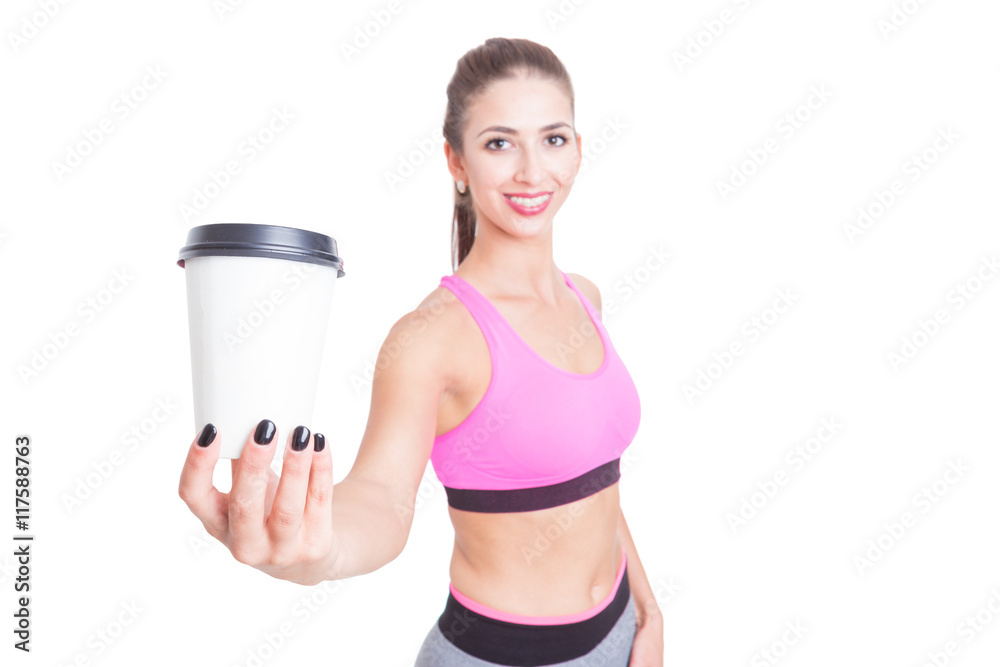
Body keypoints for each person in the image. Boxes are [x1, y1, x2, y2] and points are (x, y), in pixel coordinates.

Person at [178, 37, 663, 667]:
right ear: (455, 161)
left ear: (576, 148)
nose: (531, 171)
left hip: (622, 632)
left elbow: (598, 482)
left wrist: (649, 612)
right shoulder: (431, 337)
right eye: (498, 142)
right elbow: (381, 496)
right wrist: (315, 550)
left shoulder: (586, 298)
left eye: (553, 138)